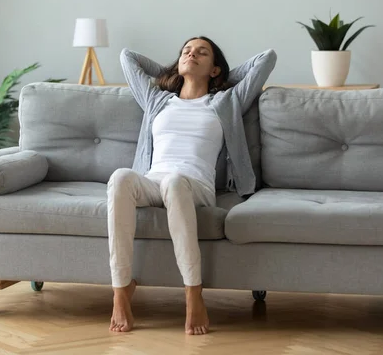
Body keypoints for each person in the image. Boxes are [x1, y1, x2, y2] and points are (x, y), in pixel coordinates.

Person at [107, 36, 277, 335]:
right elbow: (127, 57)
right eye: (186, 51)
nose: (191, 54)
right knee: (120, 177)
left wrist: (221, 74)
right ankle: (120, 292)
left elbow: (267, 58)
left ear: (215, 70)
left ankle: (193, 293)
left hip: (194, 185)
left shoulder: (227, 101)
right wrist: (176, 69)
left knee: (174, 182)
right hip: (153, 180)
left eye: (202, 53)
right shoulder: (157, 99)